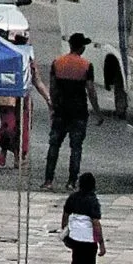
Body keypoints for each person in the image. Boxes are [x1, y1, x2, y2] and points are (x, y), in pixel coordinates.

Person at [43, 32, 101, 190]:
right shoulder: (86, 65)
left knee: (54, 145)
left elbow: (53, 89)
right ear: (81, 47)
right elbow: (90, 90)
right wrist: (97, 112)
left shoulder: (58, 63)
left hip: (61, 111)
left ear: (70, 46)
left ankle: (48, 180)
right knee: (76, 148)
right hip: (79, 112)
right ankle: (71, 182)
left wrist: (53, 107)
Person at [62, 175, 104, 264]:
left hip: (75, 238)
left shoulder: (73, 198)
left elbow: (66, 214)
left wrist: (64, 230)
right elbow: (96, 223)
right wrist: (101, 243)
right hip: (89, 240)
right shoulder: (93, 201)